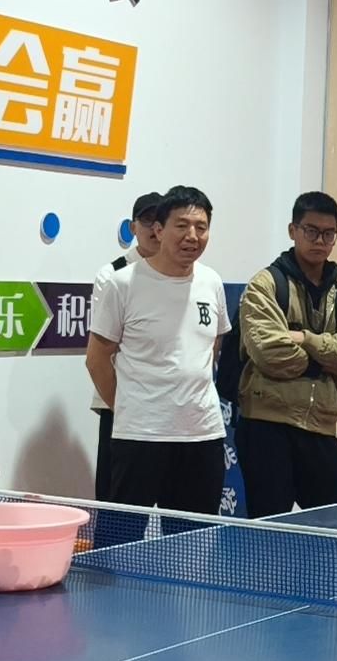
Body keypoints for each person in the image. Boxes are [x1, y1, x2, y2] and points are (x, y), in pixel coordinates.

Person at [85, 185, 229, 514]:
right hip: (141, 437)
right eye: (182, 225)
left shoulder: (211, 282)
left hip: (202, 434)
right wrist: (130, 408)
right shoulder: (122, 283)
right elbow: (97, 359)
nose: (192, 236)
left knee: (192, 538)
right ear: (159, 230)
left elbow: (213, 346)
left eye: (201, 227)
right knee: (123, 537)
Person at [236, 191, 337, 517]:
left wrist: (304, 338)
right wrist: (326, 357)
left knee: (335, 527)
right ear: (293, 230)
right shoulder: (265, 285)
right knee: (268, 532)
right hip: (267, 425)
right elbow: (271, 355)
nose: (320, 240)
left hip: (320, 427)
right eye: (311, 231)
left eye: (329, 233)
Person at [90, 191, 164, 497]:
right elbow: (102, 351)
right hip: (120, 405)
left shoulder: (188, 275)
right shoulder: (113, 275)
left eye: (160, 221)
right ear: (133, 228)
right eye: (147, 221)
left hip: (170, 411)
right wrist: (124, 405)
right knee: (119, 504)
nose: (154, 229)